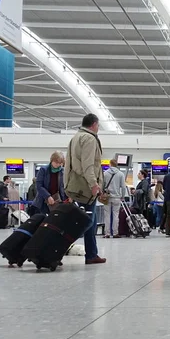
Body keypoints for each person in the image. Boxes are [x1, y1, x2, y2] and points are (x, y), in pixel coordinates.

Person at [64, 113, 106, 265]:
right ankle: (60, 246)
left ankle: (92, 254)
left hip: (75, 186)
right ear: (94, 124)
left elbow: (69, 163)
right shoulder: (89, 138)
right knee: (85, 222)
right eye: (98, 125)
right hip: (85, 189)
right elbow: (88, 165)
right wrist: (94, 184)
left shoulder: (75, 137)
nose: (98, 128)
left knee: (90, 222)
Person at [102, 159, 128, 239]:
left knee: (107, 215)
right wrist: (123, 196)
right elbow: (123, 187)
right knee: (116, 215)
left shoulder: (105, 173)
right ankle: (116, 233)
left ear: (110, 164)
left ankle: (107, 233)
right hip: (117, 197)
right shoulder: (120, 174)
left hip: (107, 197)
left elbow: (102, 185)